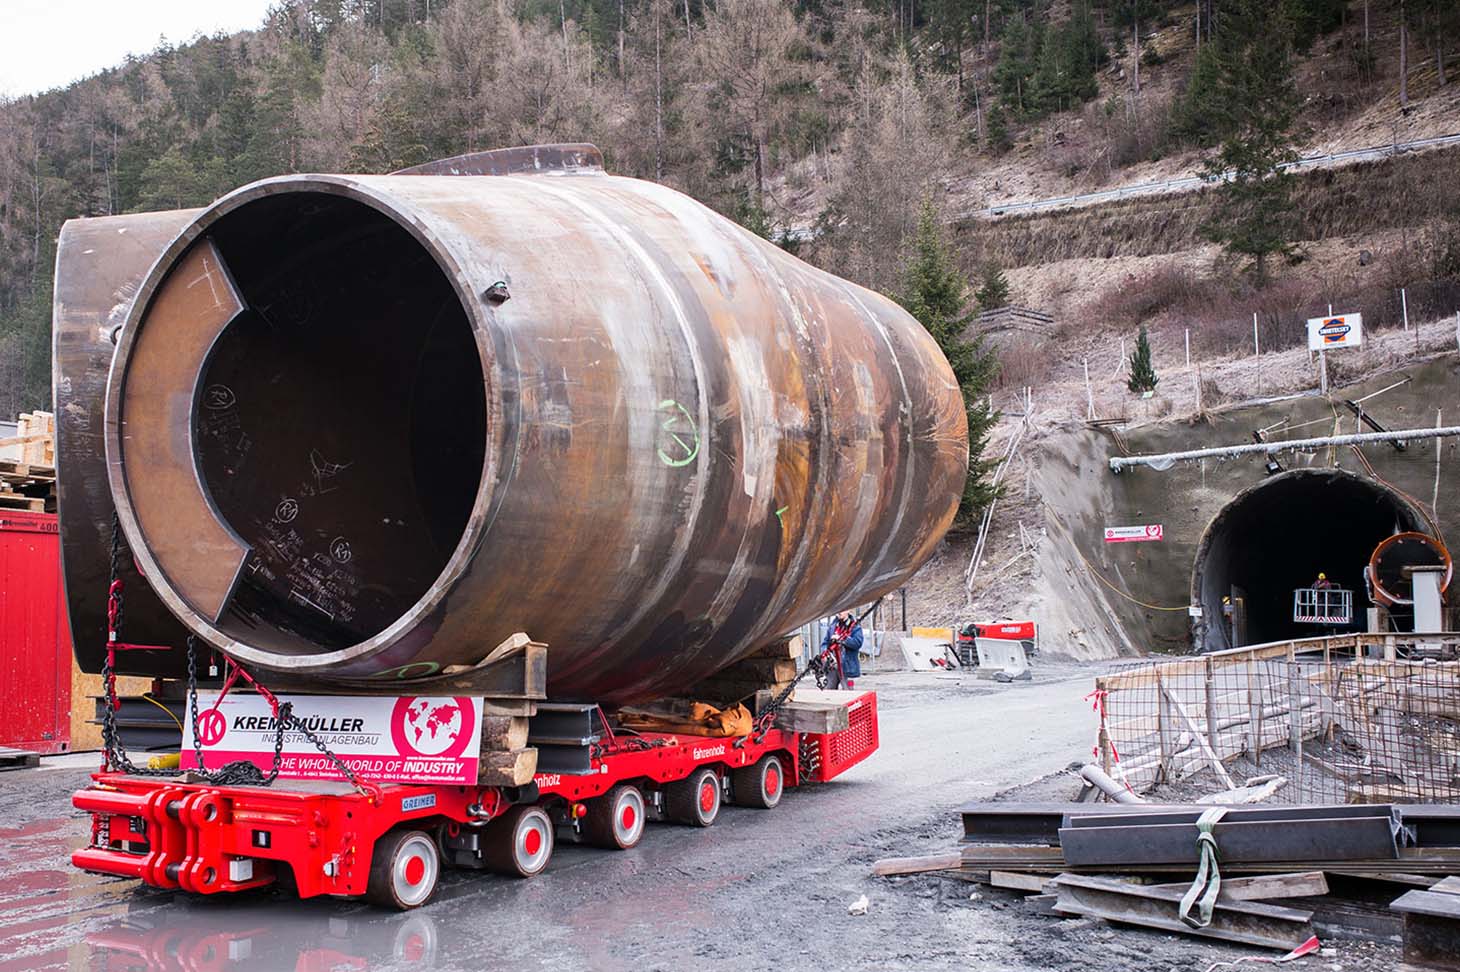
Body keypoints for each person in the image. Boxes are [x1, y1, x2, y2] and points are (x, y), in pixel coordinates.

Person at [821, 611, 864, 688]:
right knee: (829, 692)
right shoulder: (833, 626)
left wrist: (842, 639)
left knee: (848, 692)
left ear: (849, 611)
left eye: (843, 610)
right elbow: (825, 643)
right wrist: (825, 654)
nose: (839, 612)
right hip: (832, 667)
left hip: (847, 667)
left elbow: (857, 643)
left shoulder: (855, 626)